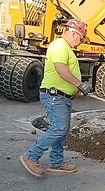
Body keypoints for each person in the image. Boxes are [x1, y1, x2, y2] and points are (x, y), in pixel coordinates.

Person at [20, 19, 92, 178]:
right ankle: (31, 156)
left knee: (61, 129)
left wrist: (73, 90)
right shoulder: (59, 46)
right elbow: (61, 70)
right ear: (74, 33)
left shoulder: (64, 47)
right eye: (80, 38)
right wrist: (79, 84)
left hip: (60, 95)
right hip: (54, 95)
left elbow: (63, 73)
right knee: (59, 128)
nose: (80, 42)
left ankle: (56, 162)